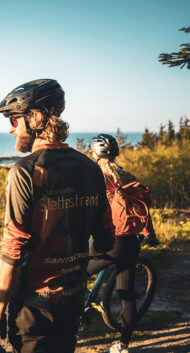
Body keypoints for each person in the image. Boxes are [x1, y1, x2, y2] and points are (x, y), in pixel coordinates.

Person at [0, 79, 115, 353]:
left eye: (13, 119)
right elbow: (105, 241)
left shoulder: (25, 171)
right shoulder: (90, 168)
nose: (11, 129)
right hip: (73, 301)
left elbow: (12, 250)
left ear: (34, 117)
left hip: (34, 309)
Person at [88, 134, 159, 353]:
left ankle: (71, 326)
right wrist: (150, 235)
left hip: (108, 242)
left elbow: (89, 213)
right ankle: (123, 345)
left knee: (74, 273)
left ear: (95, 155)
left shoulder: (97, 179)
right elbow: (142, 210)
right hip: (129, 243)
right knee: (127, 294)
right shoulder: (129, 177)